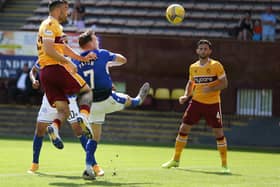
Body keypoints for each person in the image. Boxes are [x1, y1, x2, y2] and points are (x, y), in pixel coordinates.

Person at [72, 29, 150, 179]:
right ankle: (138, 101)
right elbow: (123, 59)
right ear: (90, 43)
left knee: (94, 138)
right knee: (127, 99)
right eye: (95, 39)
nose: (98, 41)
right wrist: (107, 63)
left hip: (89, 104)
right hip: (106, 98)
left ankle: (88, 169)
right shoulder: (102, 53)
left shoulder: (75, 60)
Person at [37, 1, 97, 178]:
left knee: (64, 109)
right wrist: (67, 61)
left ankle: (54, 128)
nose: (67, 12)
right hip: (55, 68)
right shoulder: (50, 24)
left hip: (46, 74)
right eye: (65, 8)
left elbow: (62, 47)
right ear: (58, 8)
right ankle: (84, 118)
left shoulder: (53, 26)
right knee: (86, 92)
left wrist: (80, 58)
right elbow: (49, 49)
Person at [161, 39, 230, 173]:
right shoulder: (193, 67)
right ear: (197, 51)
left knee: (219, 133)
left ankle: (224, 165)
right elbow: (191, 83)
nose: (203, 51)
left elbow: (224, 83)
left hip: (213, 104)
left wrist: (210, 89)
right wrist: (186, 95)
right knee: (183, 128)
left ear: (210, 51)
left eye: (205, 49)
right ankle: (175, 160)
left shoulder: (216, 65)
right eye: (201, 49)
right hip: (196, 103)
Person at [27, 62, 88, 173]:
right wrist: (33, 80)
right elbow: (33, 71)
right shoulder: (44, 58)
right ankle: (34, 163)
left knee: (79, 130)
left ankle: (92, 164)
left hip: (69, 99)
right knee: (40, 129)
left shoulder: (68, 59)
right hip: (50, 98)